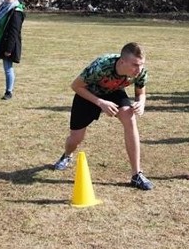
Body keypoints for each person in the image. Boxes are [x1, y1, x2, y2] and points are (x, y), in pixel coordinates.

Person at [51, 42, 153, 191]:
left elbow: (140, 93)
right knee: (76, 138)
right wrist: (100, 103)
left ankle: (136, 174)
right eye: (135, 65)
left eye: (141, 65)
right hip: (88, 94)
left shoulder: (140, 71)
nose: (139, 69)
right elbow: (75, 86)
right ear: (122, 61)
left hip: (114, 92)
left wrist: (141, 103)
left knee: (130, 118)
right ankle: (67, 155)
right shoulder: (102, 65)